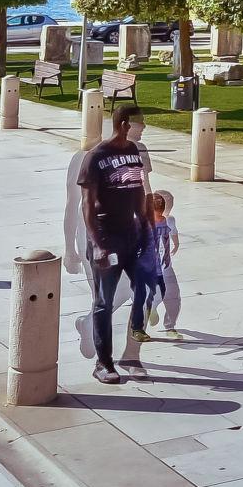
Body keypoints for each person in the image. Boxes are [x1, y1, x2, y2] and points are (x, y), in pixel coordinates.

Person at [77, 104, 154, 384]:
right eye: (138, 123)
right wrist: (97, 244)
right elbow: (87, 204)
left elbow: (137, 192)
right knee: (104, 303)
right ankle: (103, 363)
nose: (143, 127)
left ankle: (131, 352)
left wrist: (146, 228)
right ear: (123, 124)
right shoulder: (96, 156)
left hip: (131, 234)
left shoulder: (133, 152)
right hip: (105, 236)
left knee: (145, 290)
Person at [140, 190, 181, 339]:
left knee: (173, 296)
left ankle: (170, 325)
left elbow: (174, 233)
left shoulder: (170, 220)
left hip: (166, 268)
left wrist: (176, 244)